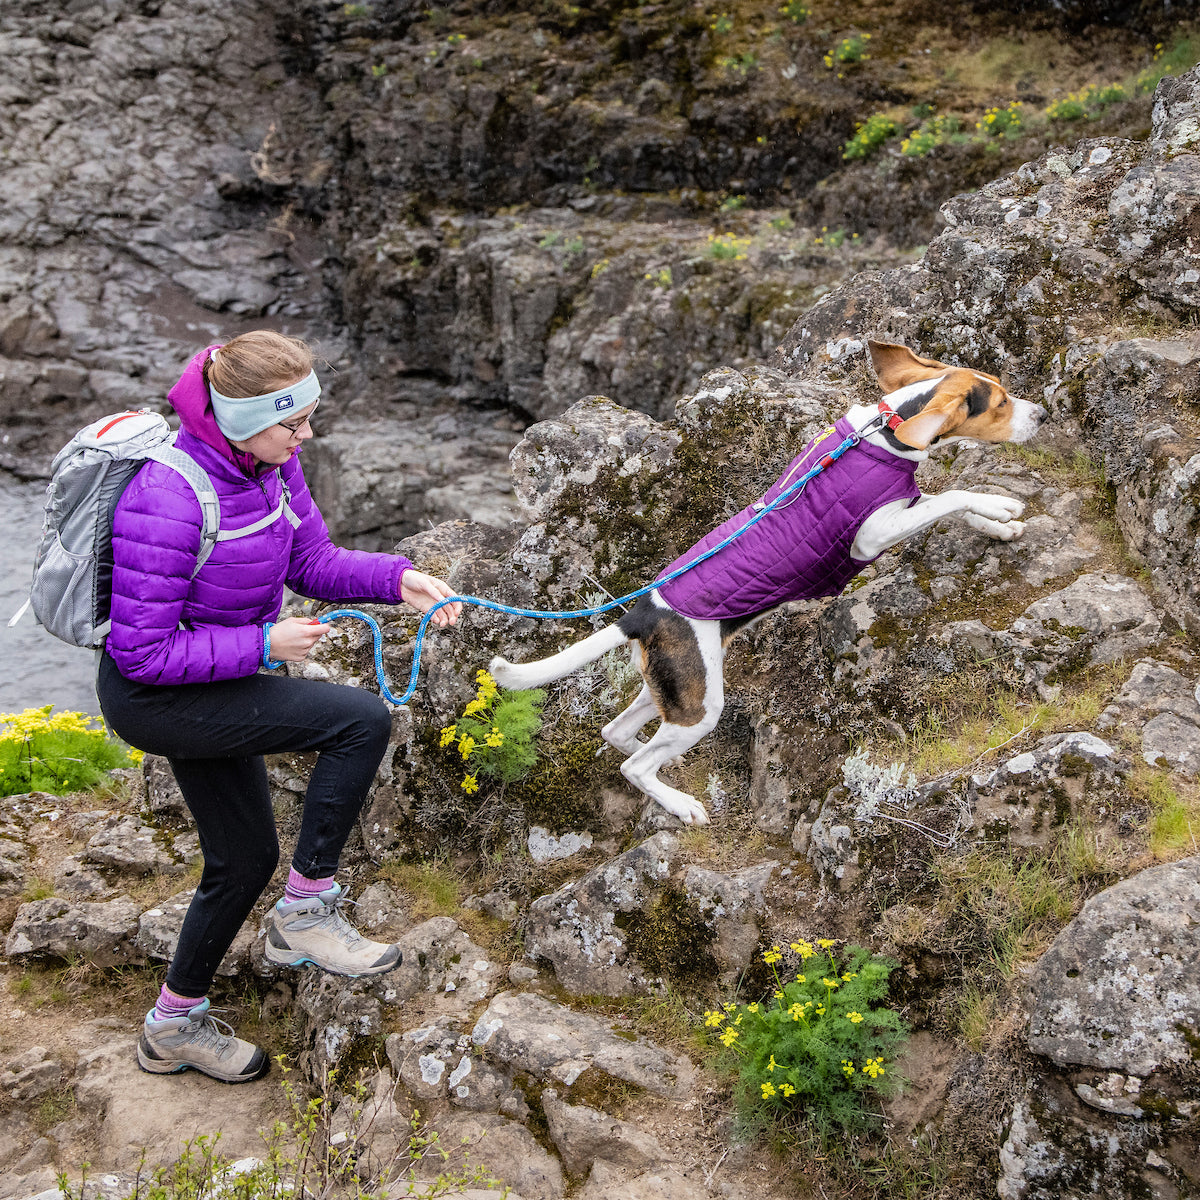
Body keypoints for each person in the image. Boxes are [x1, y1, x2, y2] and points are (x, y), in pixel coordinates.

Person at [96, 331, 461, 1084]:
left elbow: (313, 563)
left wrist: (402, 579)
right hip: (156, 696)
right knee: (358, 720)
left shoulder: (272, 466)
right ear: (236, 420)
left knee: (244, 859)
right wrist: (265, 644)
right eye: (292, 423)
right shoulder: (163, 497)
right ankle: (304, 914)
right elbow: (141, 655)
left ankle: (171, 1026)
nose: (307, 436)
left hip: (212, 678)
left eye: (309, 417)